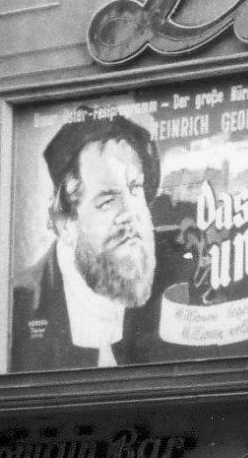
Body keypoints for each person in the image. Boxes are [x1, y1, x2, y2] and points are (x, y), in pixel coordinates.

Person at [12, 114, 162, 370]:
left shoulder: (172, 283)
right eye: (107, 201)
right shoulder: (19, 306)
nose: (131, 214)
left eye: (135, 188)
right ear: (65, 224)